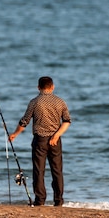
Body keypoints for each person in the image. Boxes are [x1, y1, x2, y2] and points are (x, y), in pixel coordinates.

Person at [9, 76, 71, 207]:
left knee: (39, 170)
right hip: (56, 141)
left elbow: (24, 121)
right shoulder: (60, 102)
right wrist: (56, 136)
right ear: (52, 87)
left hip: (40, 141)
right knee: (57, 171)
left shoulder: (34, 102)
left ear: (38, 87)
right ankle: (58, 201)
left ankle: (40, 200)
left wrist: (15, 134)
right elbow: (67, 121)